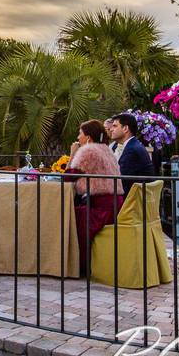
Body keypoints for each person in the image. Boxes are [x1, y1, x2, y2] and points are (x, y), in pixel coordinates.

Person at [65, 120, 124, 269]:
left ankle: (79, 265)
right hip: (116, 205)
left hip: (102, 210)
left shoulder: (88, 151)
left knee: (70, 217)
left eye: (80, 133)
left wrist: (73, 154)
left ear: (89, 138)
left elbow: (68, 177)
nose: (78, 137)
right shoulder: (106, 149)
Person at [109, 113, 154, 194]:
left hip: (133, 201)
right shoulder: (133, 145)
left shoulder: (132, 150)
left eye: (115, 126)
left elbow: (119, 179)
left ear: (125, 128)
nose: (111, 129)